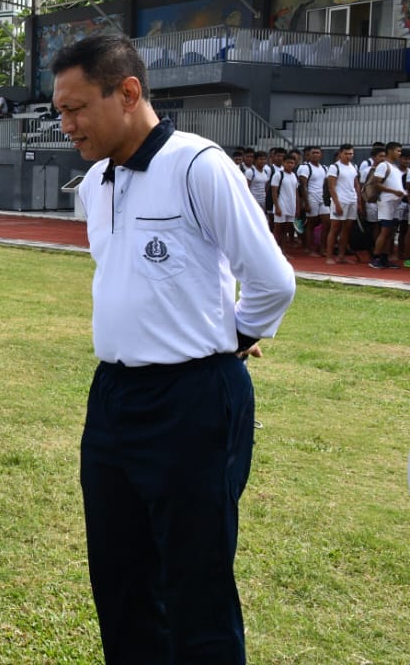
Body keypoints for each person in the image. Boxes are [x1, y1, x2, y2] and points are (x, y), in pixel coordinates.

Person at [52, 34, 295, 663]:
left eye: (77, 108)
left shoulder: (196, 164)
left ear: (128, 93)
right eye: (59, 110)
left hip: (191, 402)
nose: (65, 123)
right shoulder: (97, 181)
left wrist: (231, 339)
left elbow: (272, 280)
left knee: (195, 585)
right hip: (112, 399)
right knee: (119, 579)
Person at [369, 141, 406, 269]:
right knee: (384, 231)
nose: (399, 154)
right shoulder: (383, 166)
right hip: (386, 202)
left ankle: (384, 257)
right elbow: (376, 183)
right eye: (398, 151)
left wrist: (401, 193)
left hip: (395, 203)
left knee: (390, 232)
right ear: (390, 151)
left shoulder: (395, 168)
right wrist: (393, 191)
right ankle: (375, 257)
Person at [324, 144, 360, 264]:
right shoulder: (334, 167)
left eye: (351, 154)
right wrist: (337, 204)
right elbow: (331, 187)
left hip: (352, 200)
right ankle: (329, 256)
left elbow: (356, 184)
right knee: (335, 228)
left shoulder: (353, 166)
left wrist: (358, 201)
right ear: (340, 153)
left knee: (346, 229)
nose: (349, 156)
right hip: (340, 200)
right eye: (346, 153)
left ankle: (341, 256)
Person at [297, 146, 329, 257]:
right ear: (309, 155)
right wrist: (306, 202)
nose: (315, 155)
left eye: (318, 153)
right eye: (313, 153)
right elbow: (303, 186)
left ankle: (322, 248)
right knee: (311, 223)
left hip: (323, 198)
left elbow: (326, 184)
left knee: (326, 223)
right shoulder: (305, 168)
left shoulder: (324, 168)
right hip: (311, 197)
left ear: (321, 155)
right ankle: (310, 249)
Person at [271, 152, 300, 251]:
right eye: (288, 162)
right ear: (283, 163)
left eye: (292, 163)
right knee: (277, 230)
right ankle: (274, 252)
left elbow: (296, 193)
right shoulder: (278, 175)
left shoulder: (294, 176)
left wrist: (297, 208)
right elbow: (274, 192)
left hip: (290, 206)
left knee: (285, 230)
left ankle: (283, 251)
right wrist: (277, 207)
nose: (290, 165)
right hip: (281, 205)